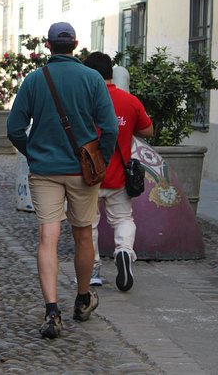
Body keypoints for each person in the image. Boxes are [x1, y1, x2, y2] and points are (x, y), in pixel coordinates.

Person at [7, 22, 118, 339]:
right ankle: (83, 299)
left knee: (48, 237)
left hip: (45, 171)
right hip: (83, 170)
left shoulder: (34, 80)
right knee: (83, 235)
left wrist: (33, 153)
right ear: (76, 44)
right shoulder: (92, 79)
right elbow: (110, 128)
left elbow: (14, 129)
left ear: (48, 45)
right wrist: (100, 159)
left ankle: (52, 310)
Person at [83, 52, 153, 292]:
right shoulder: (129, 101)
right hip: (119, 176)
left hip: (89, 175)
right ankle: (124, 251)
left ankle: (92, 271)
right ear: (111, 74)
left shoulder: (83, 101)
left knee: (88, 223)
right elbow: (148, 130)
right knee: (123, 219)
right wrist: (127, 126)